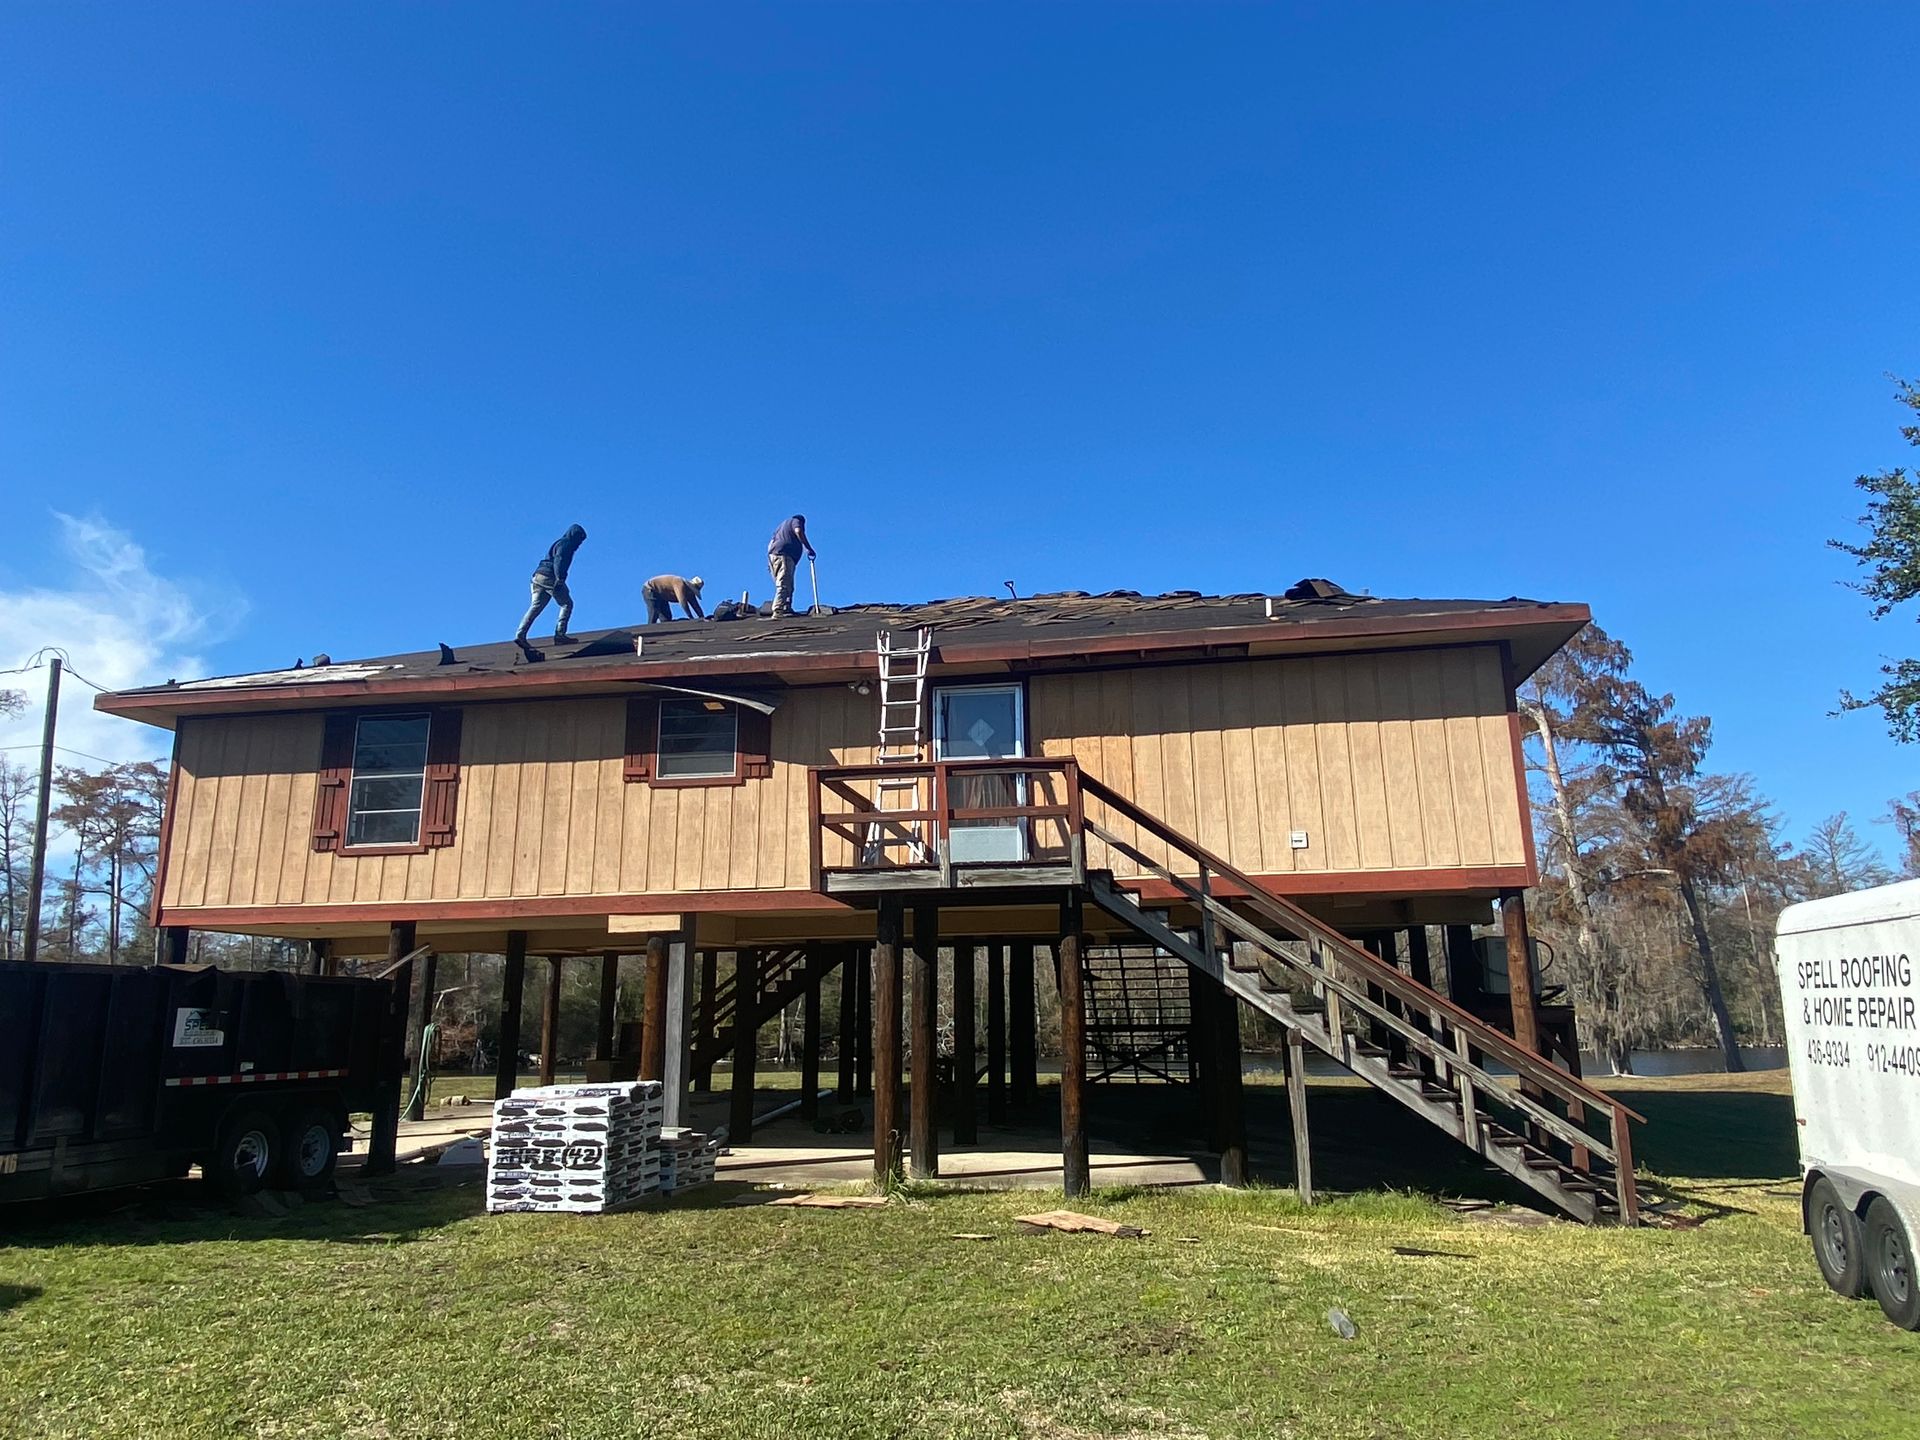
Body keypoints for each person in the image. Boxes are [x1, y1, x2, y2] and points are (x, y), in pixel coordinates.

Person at [515, 524, 587, 650]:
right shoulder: (566, 544)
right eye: (579, 540)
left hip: (537, 577)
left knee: (536, 606)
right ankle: (560, 635)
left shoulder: (559, 542)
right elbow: (559, 560)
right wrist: (560, 579)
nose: (579, 544)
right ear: (575, 537)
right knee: (567, 604)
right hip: (549, 576)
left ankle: (520, 634)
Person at [766, 513, 815, 618]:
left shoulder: (780, 528)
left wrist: (770, 562)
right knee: (784, 584)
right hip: (784, 556)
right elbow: (798, 531)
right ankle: (778, 610)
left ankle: (786, 607)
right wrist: (808, 548)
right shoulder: (796, 521)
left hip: (775, 556)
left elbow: (771, 543)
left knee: (788, 584)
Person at [642, 574, 706, 623]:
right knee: (654, 613)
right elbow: (682, 601)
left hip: (662, 596)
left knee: (666, 619)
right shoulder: (679, 583)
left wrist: (702, 617)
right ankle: (648, 634)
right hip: (650, 589)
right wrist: (691, 617)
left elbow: (696, 605)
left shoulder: (690, 593)